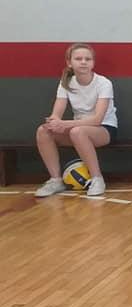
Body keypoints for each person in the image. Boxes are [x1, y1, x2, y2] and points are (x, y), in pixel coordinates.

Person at [35, 43, 119, 198]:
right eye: (78, 59)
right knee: (43, 131)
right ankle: (55, 180)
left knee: (77, 132)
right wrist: (54, 121)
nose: (83, 62)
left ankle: (97, 179)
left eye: (88, 59)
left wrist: (65, 124)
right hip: (78, 129)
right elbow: (56, 113)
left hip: (104, 129)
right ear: (69, 62)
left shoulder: (104, 83)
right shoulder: (66, 83)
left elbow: (97, 119)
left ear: (93, 63)